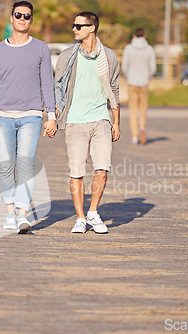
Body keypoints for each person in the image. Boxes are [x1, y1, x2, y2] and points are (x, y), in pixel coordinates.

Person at [0, 1, 56, 234]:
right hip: (3, 116)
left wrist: (50, 115)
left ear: (32, 20)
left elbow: (47, 84)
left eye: (27, 16)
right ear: (11, 18)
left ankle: (23, 214)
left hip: (32, 116)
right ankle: (9, 213)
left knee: (26, 165)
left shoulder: (41, 48)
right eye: (18, 15)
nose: (22, 18)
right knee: (5, 166)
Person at [54, 11, 120, 234]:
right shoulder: (66, 56)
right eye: (73, 25)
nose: (74, 29)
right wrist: (52, 118)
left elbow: (114, 91)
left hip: (101, 118)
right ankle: (80, 218)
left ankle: (93, 211)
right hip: (74, 121)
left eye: (79, 26)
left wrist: (116, 122)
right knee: (77, 172)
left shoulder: (109, 56)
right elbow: (58, 89)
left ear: (92, 28)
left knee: (102, 168)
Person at [121, 27, 156, 145]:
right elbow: (153, 68)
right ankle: (142, 127)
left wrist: (128, 76)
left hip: (132, 82)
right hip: (144, 82)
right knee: (143, 108)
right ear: (144, 36)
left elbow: (124, 66)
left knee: (133, 109)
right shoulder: (150, 49)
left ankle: (135, 136)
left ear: (134, 36)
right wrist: (147, 76)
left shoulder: (128, 49)